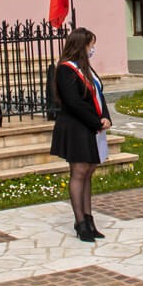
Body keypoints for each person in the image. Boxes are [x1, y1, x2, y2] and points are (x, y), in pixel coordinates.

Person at [50, 27, 113, 242]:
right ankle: (80, 223)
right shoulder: (66, 70)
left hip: (91, 126)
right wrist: (95, 121)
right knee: (79, 171)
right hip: (75, 126)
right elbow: (74, 102)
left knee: (89, 171)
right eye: (90, 45)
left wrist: (105, 117)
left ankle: (89, 218)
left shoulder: (87, 69)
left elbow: (99, 95)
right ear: (80, 45)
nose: (93, 49)